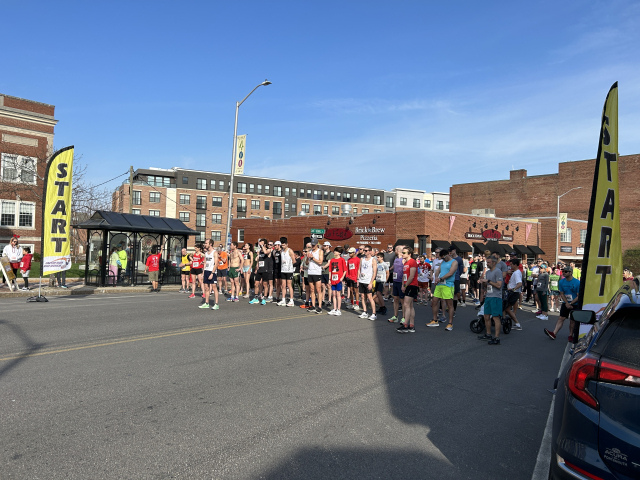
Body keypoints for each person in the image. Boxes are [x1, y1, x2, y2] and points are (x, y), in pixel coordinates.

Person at [544, 266, 581, 342]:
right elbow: (562, 293)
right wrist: (567, 303)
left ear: (570, 273)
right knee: (561, 318)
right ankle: (554, 333)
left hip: (575, 303)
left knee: (572, 320)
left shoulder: (577, 282)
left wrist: (571, 303)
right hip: (566, 303)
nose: (563, 273)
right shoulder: (561, 282)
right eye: (563, 271)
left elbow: (579, 296)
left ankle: (571, 335)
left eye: (566, 271)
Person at [477, 255, 504, 345]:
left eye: (488, 262)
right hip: (488, 296)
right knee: (486, 316)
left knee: (496, 317)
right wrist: (483, 282)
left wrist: (488, 281)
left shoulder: (498, 271)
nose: (487, 264)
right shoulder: (488, 272)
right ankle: (488, 334)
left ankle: (496, 338)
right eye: (486, 262)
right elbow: (487, 285)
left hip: (496, 297)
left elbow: (499, 285)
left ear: (493, 263)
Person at [428, 249, 457, 331]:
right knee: (434, 301)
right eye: (442, 258)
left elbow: (451, 273)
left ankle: (450, 323)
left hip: (448, 285)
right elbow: (437, 271)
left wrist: (440, 278)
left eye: (444, 257)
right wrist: (436, 277)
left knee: (449, 304)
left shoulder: (454, 262)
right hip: (440, 285)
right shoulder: (443, 262)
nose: (444, 259)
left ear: (448, 254)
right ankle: (435, 320)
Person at [397, 247, 419, 333]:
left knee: (406, 304)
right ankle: (411, 325)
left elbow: (412, 276)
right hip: (407, 285)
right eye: (402, 252)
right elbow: (404, 275)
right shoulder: (406, 262)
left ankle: (405, 324)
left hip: (412, 285)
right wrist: (403, 285)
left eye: (404, 252)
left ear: (409, 254)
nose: (402, 254)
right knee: (410, 305)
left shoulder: (412, 261)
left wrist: (405, 285)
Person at [357, 245, 377, 320]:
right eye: (364, 250)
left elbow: (374, 272)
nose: (364, 252)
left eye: (366, 250)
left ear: (370, 251)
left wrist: (371, 282)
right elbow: (359, 269)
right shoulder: (362, 259)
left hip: (368, 281)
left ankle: (374, 313)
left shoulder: (373, 260)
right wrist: (358, 279)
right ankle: (365, 312)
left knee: (369, 297)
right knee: (362, 296)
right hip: (362, 280)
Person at [250, 239, 273, 305]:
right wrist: (257, 268)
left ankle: (265, 298)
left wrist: (262, 246)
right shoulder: (260, 251)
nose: (260, 244)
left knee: (265, 284)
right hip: (260, 270)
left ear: (265, 244)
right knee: (256, 284)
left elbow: (266, 252)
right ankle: (256, 297)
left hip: (265, 270)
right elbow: (258, 260)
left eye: (262, 243)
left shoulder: (269, 250)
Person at [199, 238, 219, 310]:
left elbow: (216, 264)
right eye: (205, 243)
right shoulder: (206, 253)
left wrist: (212, 273)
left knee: (214, 288)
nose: (205, 244)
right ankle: (206, 303)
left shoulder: (215, 252)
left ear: (210, 244)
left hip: (212, 271)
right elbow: (205, 263)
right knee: (206, 288)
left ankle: (216, 304)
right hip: (206, 271)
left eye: (206, 243)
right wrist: (203, 273)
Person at [504, 259, 523, 330]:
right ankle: (505, 320)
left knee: (507, 308)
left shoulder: (517, 273)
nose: (510, 265)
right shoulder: (515, 272)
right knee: (505, 308)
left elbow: (520, 283)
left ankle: (517, 324)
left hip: (513, 293)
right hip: (513, 292)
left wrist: (513, 289)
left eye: (511, 264)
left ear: (515, 265)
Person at [327, 247, 347, 315]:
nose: (334, 252)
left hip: (339, 279)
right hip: (333, 279)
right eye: (334, 251)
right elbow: (330, 270)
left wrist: (342, 278)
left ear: (339, 253)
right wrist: (329, 279)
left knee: (338, 294)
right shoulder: (332, 260)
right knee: (334, 294)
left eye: (336, 251)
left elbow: (345, 270)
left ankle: (339, 309)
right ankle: (334, 308)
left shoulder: (342, 260)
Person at [277, 238, 296, 307]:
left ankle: (291, 300)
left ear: (287, 244)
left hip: (289, 270)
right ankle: (283, 299)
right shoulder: (281, 251)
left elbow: (294, 261)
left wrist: (290, 266)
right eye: (282, 245)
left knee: (289, 285)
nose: (283, 246)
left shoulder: (290, 251)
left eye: (284, 245)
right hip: (283, 270)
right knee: (283, 285)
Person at [307, 238, 324, 314]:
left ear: (317, 244)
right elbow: (307, 263)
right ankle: (313, 306)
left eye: (314, 245)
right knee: (312, 289)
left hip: (317, 272)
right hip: (310, 272)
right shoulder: (309, 251)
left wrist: (312, 258)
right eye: (312, 244)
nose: (313, 246)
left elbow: (320, 262)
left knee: (318, 290)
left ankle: (319, 307)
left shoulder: (320, 251)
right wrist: (308, 258)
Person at [388, 245, 405, 323]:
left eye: (395, 249)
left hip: (401, 281)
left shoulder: (403, 259)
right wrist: (387, 269)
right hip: (395, 280)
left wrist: (403, 283)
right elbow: (393, 267)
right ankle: (395, 316)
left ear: (398, 250)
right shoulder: (396, 259)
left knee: (402, 300)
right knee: (395, 299)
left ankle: (404, 317)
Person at [321, 241, 333, 305]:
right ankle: (322, 300)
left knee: (328, 286)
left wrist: (323, 267)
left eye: (325, 246)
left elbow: (329, 263)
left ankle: (329, 300)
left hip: (328, 272)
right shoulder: (322, 253)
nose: (324, 247)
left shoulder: (331, 254)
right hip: (322, 272)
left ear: (328, 246)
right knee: (323, 286)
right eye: (324, 245)